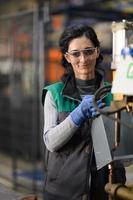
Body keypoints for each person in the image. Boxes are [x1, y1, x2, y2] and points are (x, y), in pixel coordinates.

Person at [42, 24, 126, 200]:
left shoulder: (116, 93)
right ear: (67, 57)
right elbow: (50, 142)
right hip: (64, 192)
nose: (83, 59)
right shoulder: (54, 94)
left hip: (106, 189)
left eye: (88, 51)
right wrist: (77, 115)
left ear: (96, 52)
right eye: (75, 53)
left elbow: (125, 147)